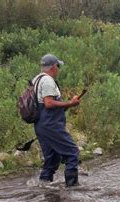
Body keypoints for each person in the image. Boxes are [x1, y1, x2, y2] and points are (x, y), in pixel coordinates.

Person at [32, 54, 81, 187]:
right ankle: (72, 188)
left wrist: (68, 104)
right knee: (72, 153)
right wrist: (70, 104)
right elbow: (48, 103)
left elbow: (45, 105)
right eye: (57, 66)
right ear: (54, 67)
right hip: (51, 125)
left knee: (52, 159)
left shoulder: (37, 79)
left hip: (41, 125)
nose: (58, 69)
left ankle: (43, 187)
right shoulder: (48, 81)